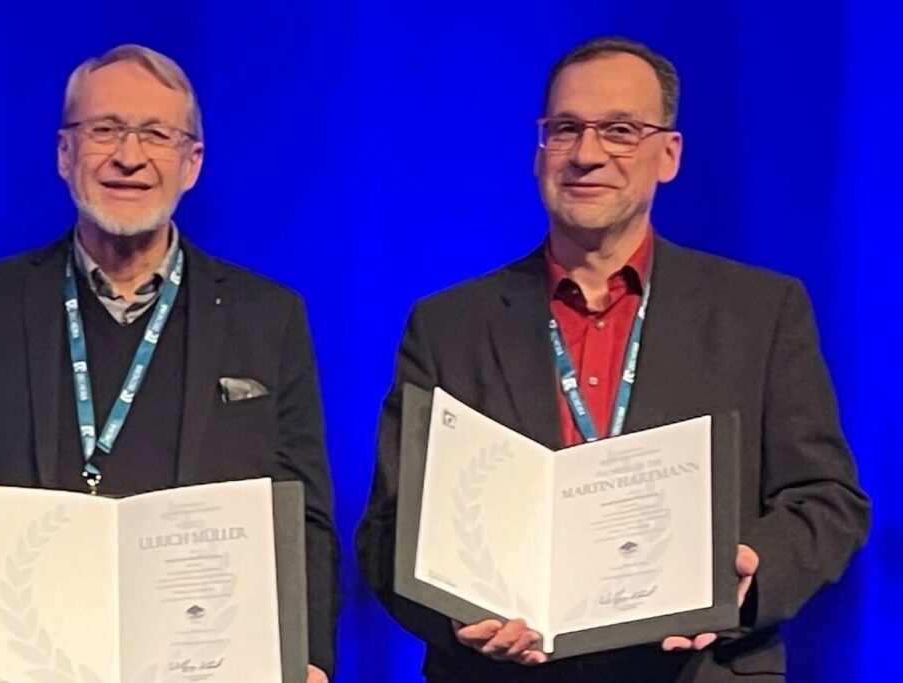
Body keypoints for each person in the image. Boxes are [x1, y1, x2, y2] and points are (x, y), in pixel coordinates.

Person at [356, 36, 870, 682]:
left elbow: (827, 499)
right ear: (539, 150)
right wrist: (457, 616)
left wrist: (750, 570)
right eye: (565, 129)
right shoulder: (447, 327)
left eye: (620, 130)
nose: (587, 154)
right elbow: (387, 529)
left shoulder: (762, 312)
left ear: (669, 155)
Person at [0, 44, 337, 683]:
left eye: (156, 133)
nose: (129, 156)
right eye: (105, 130)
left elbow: (305, 521)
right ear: (65, 154)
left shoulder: (269, 316)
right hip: (23, 664)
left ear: (192, 163)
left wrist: (309, 656)